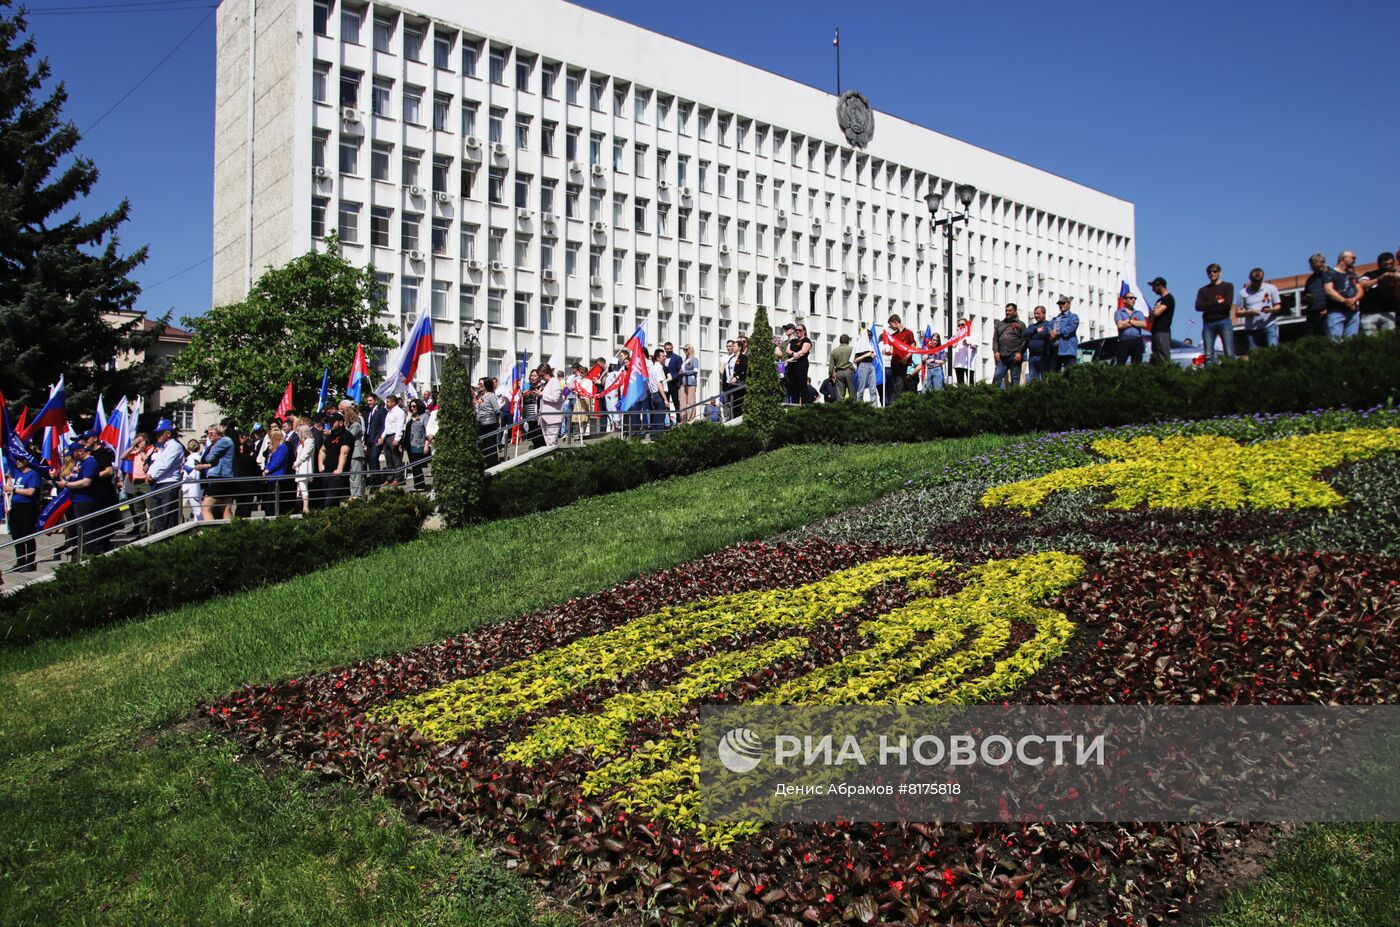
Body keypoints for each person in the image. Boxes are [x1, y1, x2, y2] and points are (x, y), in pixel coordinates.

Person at [57, 441, 112, 555]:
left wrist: (66, 484)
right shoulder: (83, 463)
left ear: (81, 451)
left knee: (87, 530)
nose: (72, 456)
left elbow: (86, 482)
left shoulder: (90, 462)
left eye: (73, 453)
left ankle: (89, 555)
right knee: (82, 529)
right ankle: (85, 553)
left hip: (86, 501)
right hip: (79, 500)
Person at [144, 419, 185, 534]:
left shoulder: (175, 446)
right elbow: (155, 463)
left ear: (168, 433)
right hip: (157, 483)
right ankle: (162, 539)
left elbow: (166, 464)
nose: (158, 435)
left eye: (160, 433)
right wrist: (149, 474)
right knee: (158, 516)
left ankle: (169, 540)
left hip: (168, 483)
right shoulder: (162, 447)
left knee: (168, 516)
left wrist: (152, 475)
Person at [5, 457, 42, 571]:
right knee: (17, 536)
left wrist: (13, 490)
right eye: (16, 460)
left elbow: (31, 491)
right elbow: (12, 489)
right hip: (16, 507)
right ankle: (20, 561)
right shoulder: (18, 474)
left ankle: (30, 563)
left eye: (20, 460)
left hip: (27, 508)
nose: (17, 462)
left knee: (27, 535)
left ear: (26, 461)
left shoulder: (33, 474)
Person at [1195, 263, 1236, 363]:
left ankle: (1231, 373)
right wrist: (1216, 303)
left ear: (1220, 272)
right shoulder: (1203, 290)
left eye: (1214, 271)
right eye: (1209, 272)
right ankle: (1210, 374)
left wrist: (1208, 306)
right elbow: (1198, 307)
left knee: (1229, 351)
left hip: (1224, 321)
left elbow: (1227, 305)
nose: (1212, 273)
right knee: (1208, 353)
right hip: (1208, 323)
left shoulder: (1228, 286)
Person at [1234, 267, 1282, 352]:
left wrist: (1270, 310)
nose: (1256, 283)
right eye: (1254, 281)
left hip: (1269, 326)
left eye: (1259, 281)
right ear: (1250, 279)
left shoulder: (1271, 288)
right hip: (1251, 329)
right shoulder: (1243, 293)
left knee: (1273, 352)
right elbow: (1237, 312)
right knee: (1254, 354)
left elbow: (1278, 306)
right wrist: (1249, 312)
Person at [196, 422, 236, 520]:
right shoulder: (224, 442)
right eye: (208, 433)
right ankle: (229, 533)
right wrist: (204, 466)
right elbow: (217, 462)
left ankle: (211, 533)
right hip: (226, 477)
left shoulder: (223, 441)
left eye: (211, 433)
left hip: (219, 478)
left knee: (205, 508)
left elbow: (209, 458)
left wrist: (211, 450)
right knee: (225, 509)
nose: (209, 436)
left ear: (219, 434)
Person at [1324, 250, 1362, 341]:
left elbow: (1360, 290)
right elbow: (1329, 290)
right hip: (1336, 311)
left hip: (1352, 312)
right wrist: (1345, 301)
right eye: (1352, 258)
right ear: (1343, 258)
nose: (1354, 261)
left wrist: (1354, 300)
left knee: (1352, 341)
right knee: (1335, 341)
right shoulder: (1330, 273)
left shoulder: (1352, 275)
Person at [319, 412, 353, 503]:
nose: (330, 424)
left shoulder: (346, 435)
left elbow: (344, 452)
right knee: (327, 500)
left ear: (341, 423)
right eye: (329, 422)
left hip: (338, 476)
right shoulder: (330, 436)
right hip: (327, 473)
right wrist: (320, 464)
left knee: (330, 502)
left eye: (333, 422)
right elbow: (322, 450)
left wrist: (339, 468)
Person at [1360, 252, 1400, 327]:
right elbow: (1362, 284)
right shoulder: (1371, 274)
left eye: (1391, 264)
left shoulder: (1395, 275)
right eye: (1385, 264)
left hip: (1389, 312)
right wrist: (1379, 279)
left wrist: (1393, 275)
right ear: (1379, 264)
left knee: (1388, 337)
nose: (1388, 266)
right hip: (1370, 313)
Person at [992, 303, 1027, 388]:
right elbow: (995, 339)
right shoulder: (1000, 324)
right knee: (997, 376)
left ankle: (1015, 399)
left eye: (1010, 311)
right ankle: (992, 397)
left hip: (1014, 356)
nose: (1007, 312)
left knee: (1015, 379)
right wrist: (996, 351)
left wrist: (1020, 352)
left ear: (1015, 311)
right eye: (1006, 311)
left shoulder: (1021, 324)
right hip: (1002, 356)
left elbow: (1025, 340)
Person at [262, 426, 295, 515]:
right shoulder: (274, 449)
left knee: (275, 502)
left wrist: (268, 470)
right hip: (271, 478)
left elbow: (278, 461)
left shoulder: (283, 447)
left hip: (277, 478)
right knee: (269, 503)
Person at [884, 314, 916, 402]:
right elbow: (891, 350)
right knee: (894, 385)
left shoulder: (908, 333)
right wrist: (886, 353)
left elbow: (913, 348)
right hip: (894, 363)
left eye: (891, 325)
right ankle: (894, 404)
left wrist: (906, 357)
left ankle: (895, 404)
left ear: (895, 322)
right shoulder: (893, 336)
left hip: (902, 363)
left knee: (899, 385)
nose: (890, 327)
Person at [1300, 253, 1331, 338]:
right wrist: (1306, 298)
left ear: (1322, 263)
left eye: (1315, 266)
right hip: (1313, 314)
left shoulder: (1332, 275)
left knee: (1330, 337)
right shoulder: (1311, 279)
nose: (1313, 269)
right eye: (1312, 267)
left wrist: (1328, 309)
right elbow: (1303, 298)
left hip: (1327, 312)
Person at [1146, 278, 1175, 362]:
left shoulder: (1168, 298)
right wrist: (1154, 312)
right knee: (1155, 357)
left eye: (1154, 287)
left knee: (1163, 356)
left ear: (1160, 285)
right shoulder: (1159, 300)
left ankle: (1167, 373)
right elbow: (1150, 318)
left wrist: (1154, 311)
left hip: (1163, 331)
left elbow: (1156, 313)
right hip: (1155, 331)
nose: (1152, 290)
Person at [537, 366, 567, 448]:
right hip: (545, 417)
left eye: (542, 375)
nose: (541, 378)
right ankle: (553, 459)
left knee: (552, 443)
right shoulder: (545, 384)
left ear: (548, 373)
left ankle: (554, 459)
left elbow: (556, 398)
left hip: (553, 417)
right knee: (548, 443)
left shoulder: (555, 382)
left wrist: (542, 394)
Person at [1114, 293, 1148, 364]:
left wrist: (1129, 321)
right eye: (1131, 298)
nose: (1133, 300)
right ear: (1124, 300)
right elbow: (1120, 325)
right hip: (1124, 341)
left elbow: (1143, 324)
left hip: (1137, 341)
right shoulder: (1119, 312)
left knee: (1137, 365)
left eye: (1134, 298)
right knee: (1120, 364)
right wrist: (1135, 322)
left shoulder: (1139, 313)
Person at [475, 377, 502, 467]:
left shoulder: (491, 395)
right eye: (479, 384)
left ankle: (493, 465)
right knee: (484, 447)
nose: (479, 386)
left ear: (486, 385)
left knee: (490, 446)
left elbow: (497, 410)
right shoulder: (481, 396)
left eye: (481, 384)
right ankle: (486, 464)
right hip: (481, 424)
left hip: (490, 424)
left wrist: (498, 422)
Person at [380, 394, 407, 482]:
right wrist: (382, 436)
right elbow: (387, 426)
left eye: (388, 402)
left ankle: (397, 478)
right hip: (387, 437)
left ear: (393, 402)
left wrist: (397, 439)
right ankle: (390, 477)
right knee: (388, 459)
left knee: (396, 459)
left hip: (394, 436)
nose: (386, 404)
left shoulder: (399, 412)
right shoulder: (389, 412)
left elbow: (400, 426)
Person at [785, 324, 814, 404]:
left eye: (800, 330)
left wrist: (790, 359)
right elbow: (787, 350)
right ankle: (794, 405)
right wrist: (794, 353)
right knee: (793, 387)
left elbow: (803, 352)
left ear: (804, 331)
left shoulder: (806, 341)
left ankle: (805, 405)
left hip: (801, 365)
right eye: (796, 330)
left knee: (802, 385)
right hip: (792, 366)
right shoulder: (793, 341)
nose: (797, 331)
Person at [342, 403, 366, 496]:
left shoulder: (356, 425)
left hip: (356, 453)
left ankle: (357, 495)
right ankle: (354, 494)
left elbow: (350, 437)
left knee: (356, 475)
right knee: (353, 475)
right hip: (351, 453)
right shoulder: (349, 426)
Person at [1049, 297, 1079, 372]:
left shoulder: (1073, 317)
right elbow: (1048, 326)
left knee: (1070, 373)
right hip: (1055, 349)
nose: (1061, 305)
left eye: (1063, 303)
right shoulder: (1055, 318)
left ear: (1069, 304)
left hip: (1068, 350)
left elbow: (1070, 329)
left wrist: (1057, 332)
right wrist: (1050, 332)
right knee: (1054, 373)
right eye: (1059, 304)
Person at [1023, 306, 1052, 381]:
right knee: (1033, 380)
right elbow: (1025, 334)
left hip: (1043, 356)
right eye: (1035, 314)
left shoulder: (1048, 324)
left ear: (1044, 314)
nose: (1036, 316)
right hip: (1032, 356)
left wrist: (1032, 335)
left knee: (1044, 378)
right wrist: (1036, 331)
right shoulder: (1032, 326)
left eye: (1038, 313)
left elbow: (1046, 333)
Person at [363, 393, 386, 485]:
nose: (369, 402)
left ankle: (377, 479)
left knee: (373, 458)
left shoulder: (381, 410)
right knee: (369, 459)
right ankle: (373, 477)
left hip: (376, 439)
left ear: (375, 401)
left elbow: (384, 425)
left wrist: (380, 436)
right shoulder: (369, 412)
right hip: (369, 439)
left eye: (370, 400)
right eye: (368, 401)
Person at [851, 326, 878, 403]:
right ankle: (860, 407)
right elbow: (855, 360)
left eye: (870, 336)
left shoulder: (870, 345)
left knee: (873, 389)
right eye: (868, 335)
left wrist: (873, 356)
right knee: (861, 389)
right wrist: (865, 355)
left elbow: (873, 356)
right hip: (863, 365)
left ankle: (874, 408)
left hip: (871, 366)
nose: (869, 337)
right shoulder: (859, 345)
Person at [293, 422, 316, 512]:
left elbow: (304, 455)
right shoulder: (302, 442)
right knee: (301, 487)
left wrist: (296, 463)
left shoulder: (309, 441)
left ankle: (305, 507)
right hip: (300, 467)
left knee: (303, 487)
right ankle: (303, 506)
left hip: (304, 467)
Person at [952, 317, 979, 383]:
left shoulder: (971, 334)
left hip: (969, 363)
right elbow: (953, 345)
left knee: (970, 382)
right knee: (960, 382)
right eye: (959, 325)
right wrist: (957, 335)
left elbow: (975, 346)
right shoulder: (957, 335)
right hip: (959, 363)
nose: (960, 326)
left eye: (962, 324)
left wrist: (968, 344)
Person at [829, 333, 854, 399]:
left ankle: (841, 408)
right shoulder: (852, 349)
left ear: (840, 341)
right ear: (848, 341)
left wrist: (831, 375)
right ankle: (853, 408)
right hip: (850, 371)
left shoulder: (834, 351)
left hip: (839, 373)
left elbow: (831, 365)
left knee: (840, 395)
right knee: (852, 393)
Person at [679, 345, 699, 422]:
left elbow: (695, 370)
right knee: (682, 401)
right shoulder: (684, 361)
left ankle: (691, 418)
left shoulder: (694, 359)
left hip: (691, 382)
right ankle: (683, 419)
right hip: (683, 382)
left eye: (687, 349)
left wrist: (685, 372)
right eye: (684, 350)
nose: (685, 351)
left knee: (691, 401)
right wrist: (681, 372)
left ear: (691, 350)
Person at [731, 337, 749, 418]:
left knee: (739, 402)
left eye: (735, 346)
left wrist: (737, 377)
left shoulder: (743, 357)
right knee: (734, 403)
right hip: (732, 384)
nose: (733, 348)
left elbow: (743, 370)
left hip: (740, 383)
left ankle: (739, 417)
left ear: (739, 347)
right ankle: (734, 417)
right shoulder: (732, 358)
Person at [663, 342, 683, 413]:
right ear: (664, 349)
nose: (669, 350)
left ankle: (678, 419)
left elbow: (680, 372)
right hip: (665, 384)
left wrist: (672, 378)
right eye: (667, 349)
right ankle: (668, 421)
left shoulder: (677, 358)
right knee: (666, 402)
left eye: (670, 348)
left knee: (676, 402)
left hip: (674, 384)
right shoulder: (663, 358)